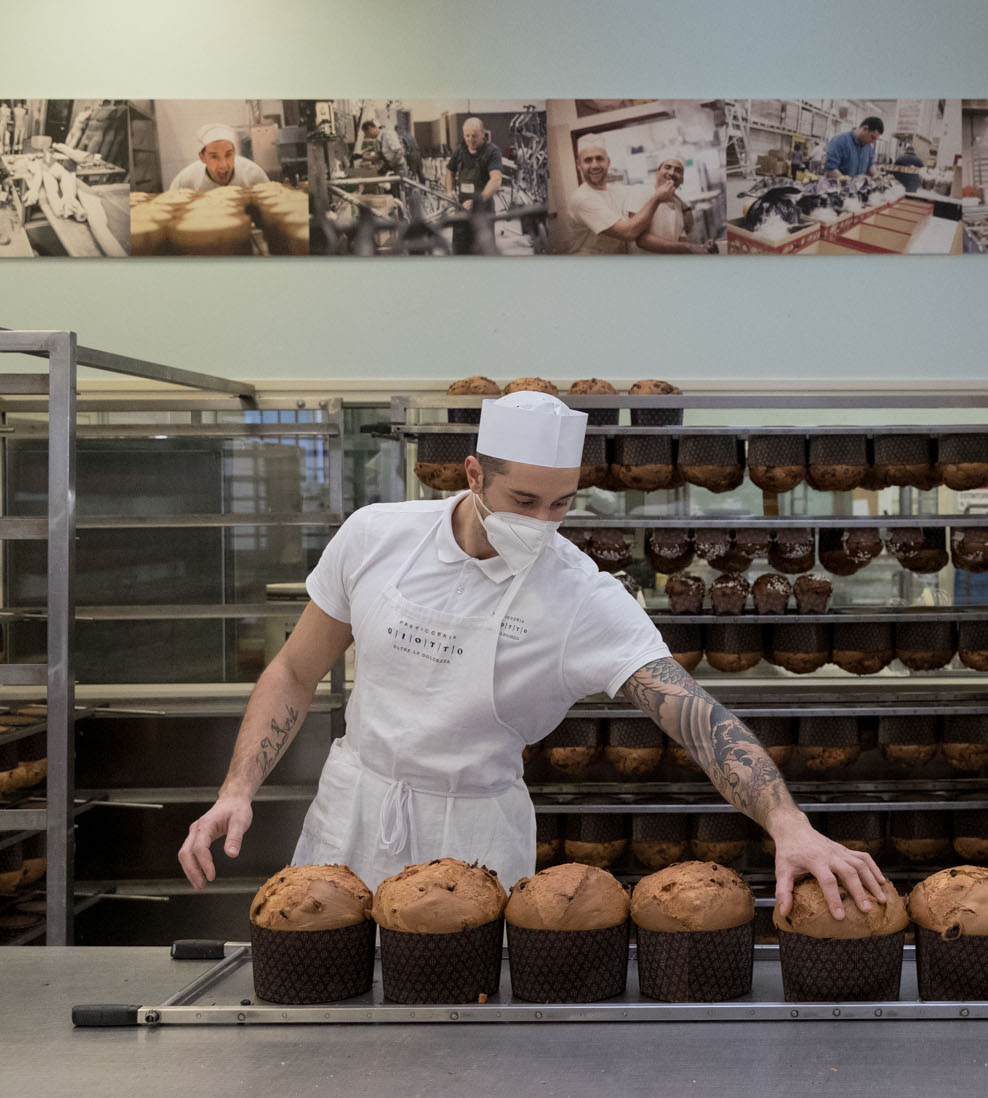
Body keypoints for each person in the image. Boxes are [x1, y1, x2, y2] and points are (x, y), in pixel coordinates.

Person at [176, 391, 883, 917]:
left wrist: (790, 824)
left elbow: (696, 716)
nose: (543, 524)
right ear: (473, 474)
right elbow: (295, 671)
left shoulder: (581, 596)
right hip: (353, 810)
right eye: (524, 500)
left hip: (477, 836)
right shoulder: (375, 537)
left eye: (562, 505)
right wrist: (237, 790)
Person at [446, 116, 505, 255]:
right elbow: (449, 171)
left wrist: (478, 200)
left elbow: (496, 180)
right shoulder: (460, 150)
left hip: (483, 211)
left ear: (483, 134)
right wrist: (449, 191)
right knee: (460, 251)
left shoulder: (492, 151)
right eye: (467, 136)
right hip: (461, 209)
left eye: (474, 136)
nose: (470, 140)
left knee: (483, 251)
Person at [167, 124, 269, 192]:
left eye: (228, 155)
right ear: (203, 158)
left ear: (235, 153)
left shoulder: (254, 174)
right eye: (214, 156)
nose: (223, 165)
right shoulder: (185, 180)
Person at [823, 116, 883, 180]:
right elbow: (830, 169)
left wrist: (875, 173)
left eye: (875, 139)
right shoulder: (839, 141)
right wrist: (846, 182)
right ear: (865, 129)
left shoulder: (868, 147)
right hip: (839, 188)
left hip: (858, 188)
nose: (873, 142)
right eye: (872, 137)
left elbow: (870, 164)